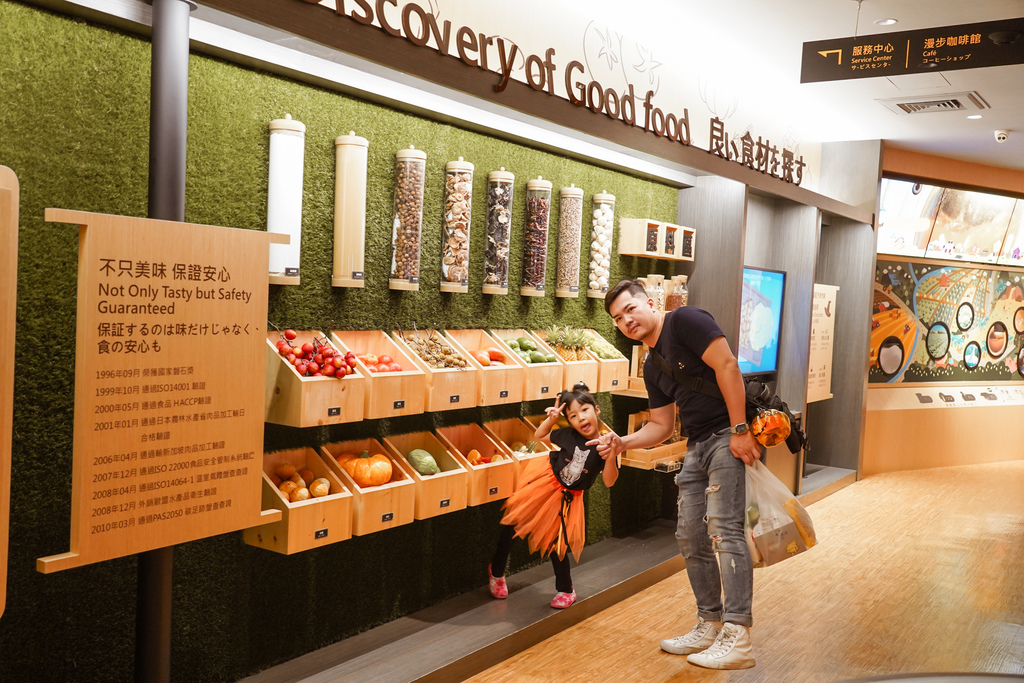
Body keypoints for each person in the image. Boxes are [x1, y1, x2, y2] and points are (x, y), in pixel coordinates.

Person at [593, 279, 760, 670]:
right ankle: (709, 622)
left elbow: (727, 365)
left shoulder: (686, 319)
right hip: (697, 446)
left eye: (630, 309)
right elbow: (662, 426)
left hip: (725, 437)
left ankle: (738, 633)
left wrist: (739, 430)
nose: (626, 321)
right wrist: (622, 443)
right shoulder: (652, 365)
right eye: (618, 318)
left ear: (649, 302)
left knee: (724, 529)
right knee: (689, 533)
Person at [487, 383, 619, 609]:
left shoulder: (605, 446)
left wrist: (612, 453)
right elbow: (540, 435)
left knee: (557, 542)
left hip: (569, 498)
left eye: (585, 410)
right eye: (573, 416)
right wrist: (551, 418)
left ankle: (566, 589)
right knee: (514, 525)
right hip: (545, 484)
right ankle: (496, 571)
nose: (581, 418)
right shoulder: (567, 434)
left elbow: (609, 480)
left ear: (596, 410)